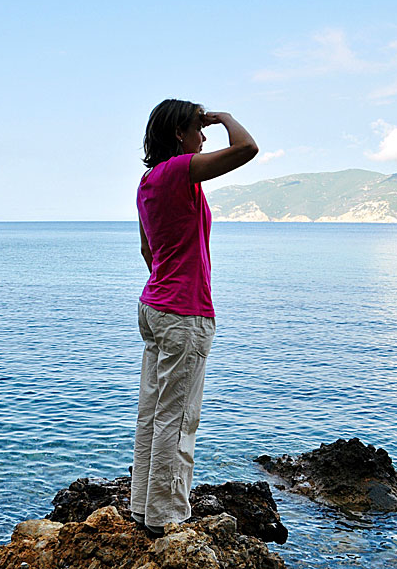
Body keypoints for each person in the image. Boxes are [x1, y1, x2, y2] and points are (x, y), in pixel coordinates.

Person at [131, 99, 258, 534]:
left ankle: (142, 506)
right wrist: (222, 117)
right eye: (197, 129)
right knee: (179, 416)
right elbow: (246, 148)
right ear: (178, 135)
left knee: (153, 412)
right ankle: (166, 517)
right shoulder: (178, 172)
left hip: (155, 306)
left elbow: (148, 251)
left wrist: (168, 282)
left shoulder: (148, 182)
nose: (203, 137)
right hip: (184, 311)